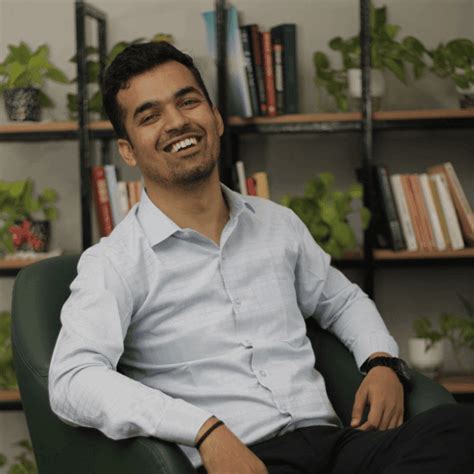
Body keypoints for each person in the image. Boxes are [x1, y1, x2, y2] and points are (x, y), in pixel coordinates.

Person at [48, 41, 474, 474]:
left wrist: (381, 361)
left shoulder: (277, 223)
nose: (176, 122)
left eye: (188, 101)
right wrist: (204, 429)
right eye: (150, 115)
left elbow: (342, 301)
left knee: (460, 428)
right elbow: (72, 379)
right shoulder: (115, 261)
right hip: (246, 461)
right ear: (128, 150)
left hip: (333, 445)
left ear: (215, 118)